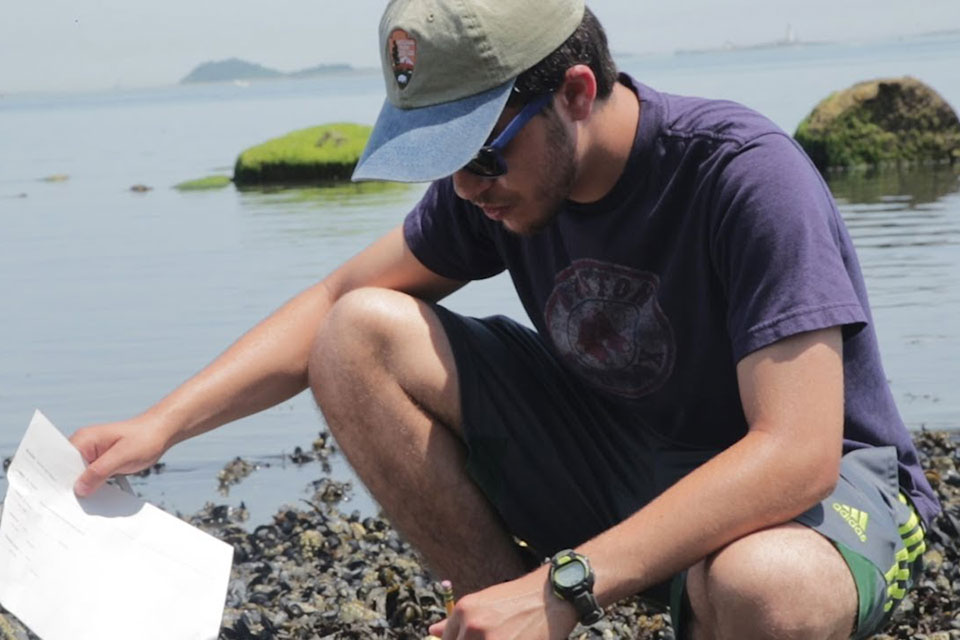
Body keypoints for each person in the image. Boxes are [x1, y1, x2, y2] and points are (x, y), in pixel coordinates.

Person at [71, 1, 939, 638]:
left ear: (576, 90)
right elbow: (335, 303)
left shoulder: (743, 177)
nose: (466, 190)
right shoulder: (493, 191)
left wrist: (563, 585)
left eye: (480, 154)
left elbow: (798, 454)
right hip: (624, 458)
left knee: (764, 586)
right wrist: (163, 425)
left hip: (819, 495)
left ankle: (545, 608)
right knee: (357, 333)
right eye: (440, 162)